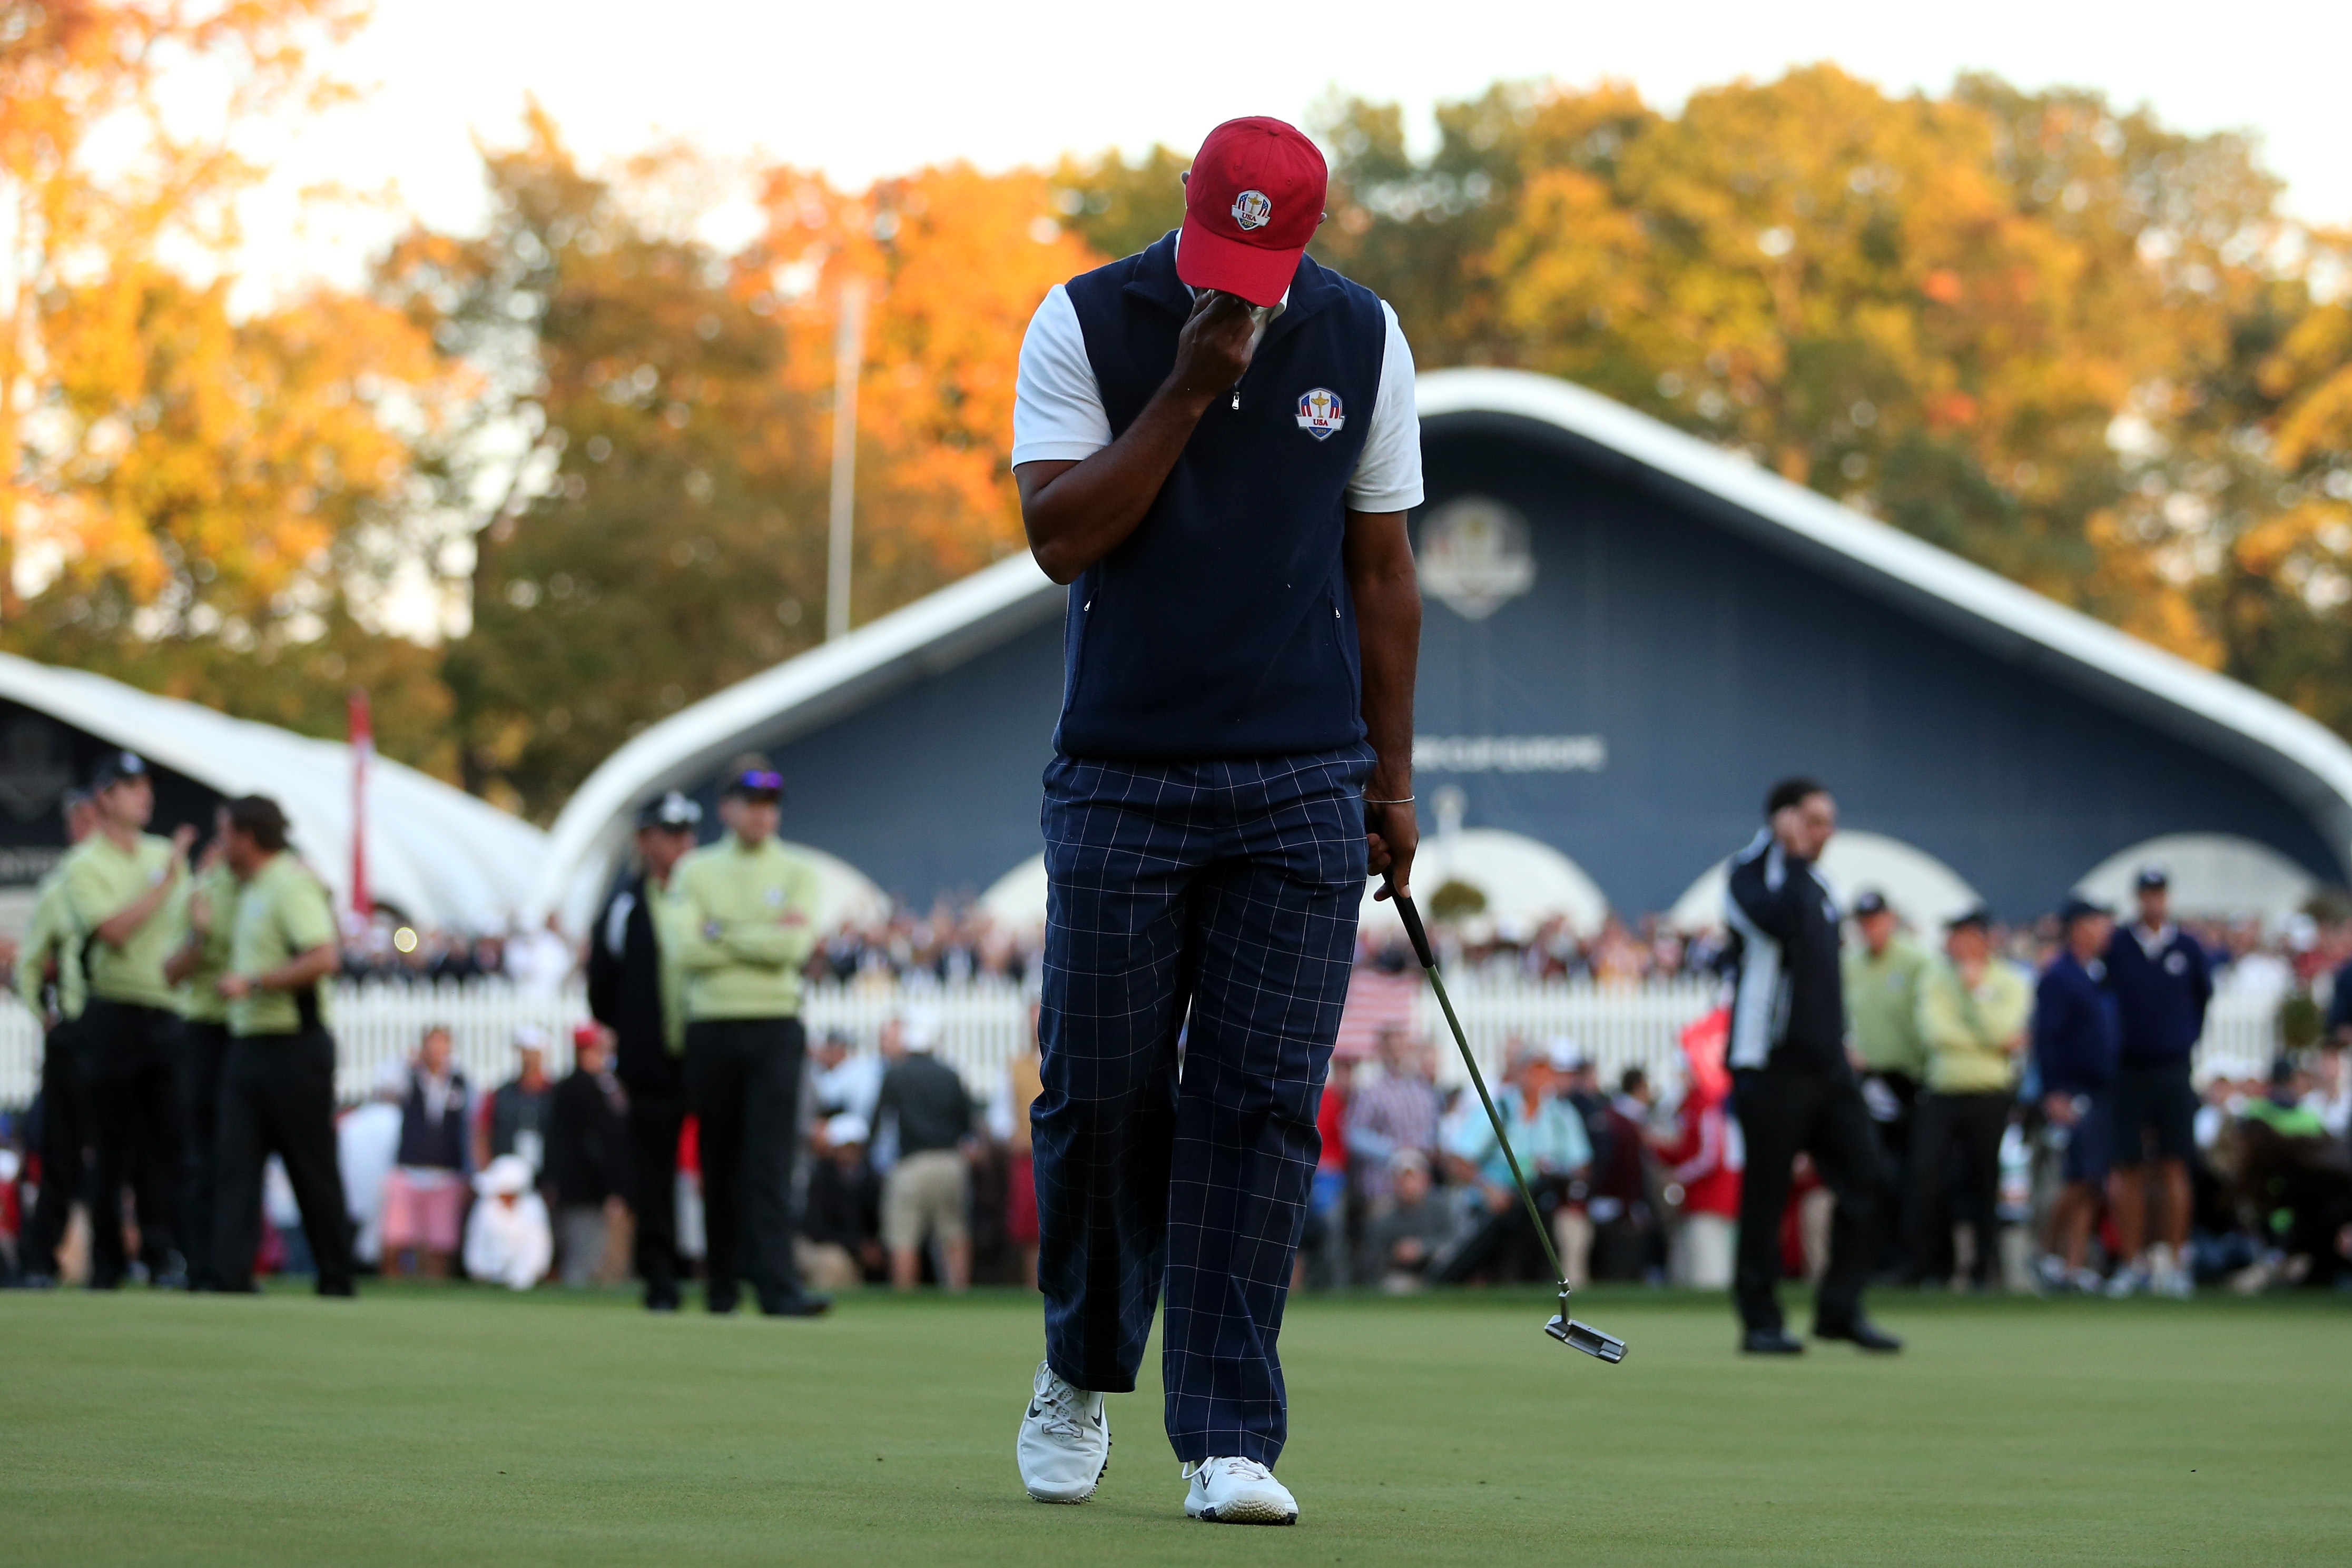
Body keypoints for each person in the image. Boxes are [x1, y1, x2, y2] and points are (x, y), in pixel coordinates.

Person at [1009, 114, 1424, 1523]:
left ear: (1303, 237)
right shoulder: (1084, 321)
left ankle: (1231, 1436)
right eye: (1218, 254)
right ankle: (1078, 1368)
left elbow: (1382, 572)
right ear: (1186, 211)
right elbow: (1061, 535)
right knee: (1101, 1096)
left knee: (1257, 1111)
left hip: (1302, 775)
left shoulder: (1366, 340)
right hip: (1122, 768)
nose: (1237, 286)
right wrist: (1185, 391)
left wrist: (1393, 778)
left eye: (1262, 263)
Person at [1722, 777, 1900, 1354]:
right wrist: (1794, 859)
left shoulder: (1818, 881)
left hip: (1827, 1064)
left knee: (1867, 1176)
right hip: (1771, 1062)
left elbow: (1824, 971)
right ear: (1785, 820)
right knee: (1767, 1194)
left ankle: (1839, 1309)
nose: (1827, 831)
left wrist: (1842, 1038)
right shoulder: (1749, 874)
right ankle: (1760, 1320)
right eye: (1816, 820)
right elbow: (1779, 922)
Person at [670, 756, 829, 1317]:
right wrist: (762, 935)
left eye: (770, 805)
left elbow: (795, 947)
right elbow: (684, 948)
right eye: (751, 804)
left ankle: (775, 1286)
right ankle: (721, 1286)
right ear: (727, 809)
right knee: (719, 1158)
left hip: (774, 1024)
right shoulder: (695, 869)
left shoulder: (799, 870)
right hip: (712, 1025)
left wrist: (723, 932)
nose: (762, 815)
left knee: (769, 1160)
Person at [204, 794, 356, 1296]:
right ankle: (230, 1276)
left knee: (310, 1167)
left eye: (226, 834)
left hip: (294, 1045)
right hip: (248, 1045)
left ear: (248, 837)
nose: (221, 845)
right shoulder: (249, 887)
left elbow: (323, 956)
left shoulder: (290, 883)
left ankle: (336, 1276)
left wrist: (254, 983)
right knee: (236, 1167)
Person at [62, 751, 195, 1288]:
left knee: (167, 1143)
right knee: (113, 1143)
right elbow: (113, 931)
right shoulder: (85, 863)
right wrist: (163, 884)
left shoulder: (166, 853)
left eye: (147, 786)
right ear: (105, 798)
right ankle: (110, 1261)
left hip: (165, 1010)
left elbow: (188, 925)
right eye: (131, 787)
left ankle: (166, 1256)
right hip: (112, 1010)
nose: (146, 795)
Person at [585, 790, 698, 1310]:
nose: (679, 845)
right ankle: (660, 1277)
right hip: (650, 1062)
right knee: (652, 1173)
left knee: (717, 1166)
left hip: (704, 1054)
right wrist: (639, 1030)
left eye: (684, 834)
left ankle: (721, 1273)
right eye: (667, 834)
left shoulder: (703, 897)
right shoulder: (625, 905)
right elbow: (602, 989)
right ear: (644, 840)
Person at [2102, 866, 2212, 1298]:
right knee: (2126, 1164)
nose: (2153, 902)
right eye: (2146, 894)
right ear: (2137, 898)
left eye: (2159, 894)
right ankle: (2132, 1262)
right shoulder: (2118, 946)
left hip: (2171, 1067)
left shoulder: (2187, 947)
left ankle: (2175, 1259)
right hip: (2127, 1069)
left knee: (2173, 1162)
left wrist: (2180, 1039)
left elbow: (2202, 998)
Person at [1909, 908, 2031, 1290]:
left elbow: (2006, 1031)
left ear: (1984, 940)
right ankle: (1935, 1265)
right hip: (1943, 1089)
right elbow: (1934, 1032)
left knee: (1984, 1179)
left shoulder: (2009, 980)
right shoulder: (1934, 977)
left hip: (1989, 1091)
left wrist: (1975, 993)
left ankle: (1984, 1268)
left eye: (1966, 935)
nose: (1958, 944)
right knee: (1927, 1175)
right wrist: (1987, 1041)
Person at [14, 787, 98, 1287]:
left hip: (130, 1030)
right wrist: (45, 1014)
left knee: (134, 1152)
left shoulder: (136, 874)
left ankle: (133, 1256)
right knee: (60, 1150)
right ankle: (40, 1257)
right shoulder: (62, 884)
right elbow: (30, 963)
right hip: (75, 1031)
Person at [1433, 1042, 1592, 1283]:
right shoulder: (1499, 1109)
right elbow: (1459, 1160)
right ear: (1517, 1073)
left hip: (1543, 1208)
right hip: (1498, 1208)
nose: (1538, 1078)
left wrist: (1555, 1171)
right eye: (1532, 1070)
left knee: (1565, 1242)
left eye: (1543, 1071)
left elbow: (1581, 1163)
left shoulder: (1560, 1114)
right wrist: (1489, 1189)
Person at [163, 808, 239, 1289]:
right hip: (204, 1031)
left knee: (237, 1157)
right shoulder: (199, 897)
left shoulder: (256, 894)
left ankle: (230, 1263)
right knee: (200, 1155)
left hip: (245, 1032)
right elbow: (172, 970)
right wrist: (199, 931)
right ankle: (198, 1262)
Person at [2033, 898, 2121, 1292]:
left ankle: (2071, 1265)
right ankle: (2044, 1252)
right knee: (2078, 1176)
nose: (2105, 929)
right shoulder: (2059, 976)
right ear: (2077, 928)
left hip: (2103, 1089)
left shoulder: (2100, 973)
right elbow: (2047, 1038)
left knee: (2093, 1180)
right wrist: (2054, 1091)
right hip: (2074, 1089)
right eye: (2097, 922)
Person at [1841, 888, 1930, 1274]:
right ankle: (1876, 1258)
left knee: (1913, 1175)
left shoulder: (1915, 961)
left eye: (1875, 919)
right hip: (1868, 1079)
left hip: (1910, 1080)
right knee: (1874, 1172)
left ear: (1889, 919)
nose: (1870, 928)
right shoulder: (1850, 964)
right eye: (1863, 922)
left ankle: (1911, 1258)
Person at [874, 1009, 976, 1290]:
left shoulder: (896, 1074)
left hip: (911, 1164)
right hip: (949, 1162)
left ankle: (905, 1298)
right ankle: (959, 1297)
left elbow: (879, 1119)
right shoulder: (950, 1074)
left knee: (904, 1239)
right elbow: (968, 1123)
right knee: (954, 1235)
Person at [1656, 1010, 1741, 1289]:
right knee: (1690, 1269)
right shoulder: (1694, 1102)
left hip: (1712, 1198)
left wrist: (1678, 1176)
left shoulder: (1706, 1102)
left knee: (1710, 1273)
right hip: (1702, 1197)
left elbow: (1709, 1156)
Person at [546, 1023, 632, 1286]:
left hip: (586, 1188)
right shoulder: (583, 1090)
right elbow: (595, 1144)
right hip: (587, 1189)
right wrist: (612, 1186)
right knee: (584, 1259)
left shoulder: (598, 1085)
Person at [381, 1026, 470, 1280]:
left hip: (445, 1173)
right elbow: (385, 1085)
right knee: (396, 1239)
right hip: (409, 1169)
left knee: (439, 1245)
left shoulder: (459, 1082)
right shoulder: (407, 1076)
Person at [1343, 1025, 1444, 1206]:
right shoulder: (1371, 1092)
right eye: (1391, 1049)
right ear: (1381, 1052)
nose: (1397, 1054)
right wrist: (1394, 1151)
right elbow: (1354, 1135)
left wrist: (1426, 1147)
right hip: (1383, 1189)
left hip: (1420, 1190)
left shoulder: (1424, 1091)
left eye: (1401, 1047)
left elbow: (1434, 1130)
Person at [798, 1113, 881, 1291]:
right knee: (834, 1264)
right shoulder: (820, 1178)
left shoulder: (871, 1180)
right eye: (846, 1147)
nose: (850, 1152)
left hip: (850, 1249)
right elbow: (816, 1228)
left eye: (855, 1147)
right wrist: (857, 1246)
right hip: (816, 1245)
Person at [1355, 1148, 1456, 1291]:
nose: (1408, 1185)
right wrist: (1395, 1254)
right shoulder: (1383, 1214)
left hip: (1441, 1274)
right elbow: (1371, 1258)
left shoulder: (1443, 1206)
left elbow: (1456, 1241)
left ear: (1425, 1179)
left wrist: (1422, 1249)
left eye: (1413, 1177)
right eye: (1402, 1179)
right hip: (1400, 1277)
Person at [464, 1153, 551, 1290]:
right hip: (490, 1274)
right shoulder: (486, 1205)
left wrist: (534, 1272)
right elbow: (476, 1239)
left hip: (524, 1278)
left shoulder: (533, 1206)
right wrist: (478, 1270)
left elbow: (539, 1244)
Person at [475, 1027, 555, 1178]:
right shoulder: (501, 1094)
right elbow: (483, 1132)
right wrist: (487, 1170)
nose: (528, 1058)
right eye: (525, 1052)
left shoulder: (554, 1094)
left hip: (546, 1175)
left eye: (533, 1053)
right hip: (507, 1176)